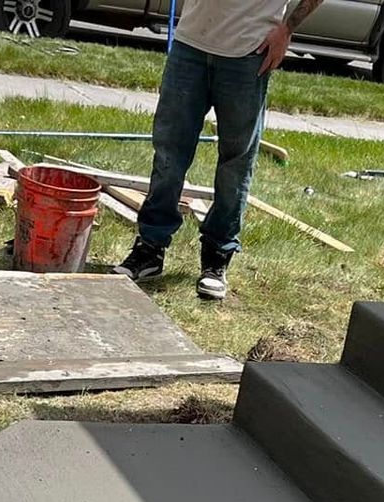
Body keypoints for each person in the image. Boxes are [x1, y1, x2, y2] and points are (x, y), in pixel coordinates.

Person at [111, 0, 321, 300]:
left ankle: (216, 258)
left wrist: (286, 29)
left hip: (249, 52)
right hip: (190, 45)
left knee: (236, 163)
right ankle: (150, 249)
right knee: (169, 153)